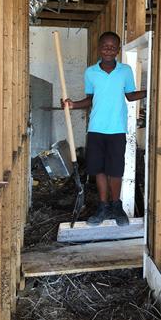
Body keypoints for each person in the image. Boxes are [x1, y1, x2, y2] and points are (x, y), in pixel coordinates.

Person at [61, 31, 146, 227]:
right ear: (99, 49)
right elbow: (90, 98)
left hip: (117, 129)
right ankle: (103, 206)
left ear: (118, 50)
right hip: (96, 129)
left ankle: (116, 206)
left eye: (112, 46)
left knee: (115, 170)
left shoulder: (125, 71)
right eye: (105, 46)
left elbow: (130, 95)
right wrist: (73, 104)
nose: (108, 49)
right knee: (98, 169)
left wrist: (151, 91)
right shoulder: (90, 72)